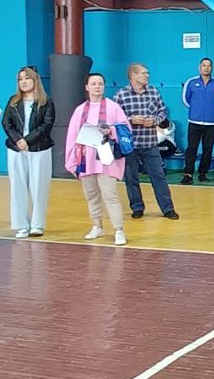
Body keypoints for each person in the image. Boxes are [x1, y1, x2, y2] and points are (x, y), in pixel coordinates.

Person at [64, 72, 131, 246]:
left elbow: (126, 128)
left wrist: (111, 130)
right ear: (87, 87)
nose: (97, 86)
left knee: (110, 195)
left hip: (106, 159)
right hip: (86, 160)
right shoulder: (80, 110)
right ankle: (97, 226)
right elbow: (72, 136)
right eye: (93, 83)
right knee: (91, 195)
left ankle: (119, 230)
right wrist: (71, 161)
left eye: (100, 83)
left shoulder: (113, 107)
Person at [114, 63, 179, 221]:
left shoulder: (154, 92)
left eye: (147, 73)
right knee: (131, 178)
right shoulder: (121, 95)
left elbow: (163, 111)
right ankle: (137, 208)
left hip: (150, 143)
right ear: (133, 75)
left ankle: (168, 208)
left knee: (159, 176)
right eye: (144, 73)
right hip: (130, 145)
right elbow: (114, 118)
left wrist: (155, 121)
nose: (147, 75)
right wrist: (131, 120)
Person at [3, 66, 55, 238]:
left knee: (39, 187)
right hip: (16, 149)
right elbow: (6, 123)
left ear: (35, 80)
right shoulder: (13, 101)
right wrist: (18, 140)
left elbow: (46, 125)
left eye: (27, 78)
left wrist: (28, 140)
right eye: (20, 79)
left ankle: (37, 224)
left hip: (39, 149)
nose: (23, 82)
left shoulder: (46, 101)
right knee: (17, 186)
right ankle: (21, 225)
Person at [180, 58, 214, 184]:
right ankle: (188, 174)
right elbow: (186, 99)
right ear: (199, 67)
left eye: (209, 65)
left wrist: (209, 110)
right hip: (194, 121)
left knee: (208, 149)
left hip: (211, 122)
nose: (206, 68)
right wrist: (196, 110)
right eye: (204, 65)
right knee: (191, 148)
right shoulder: (191, 82)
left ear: (212, 68)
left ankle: (202, 173)